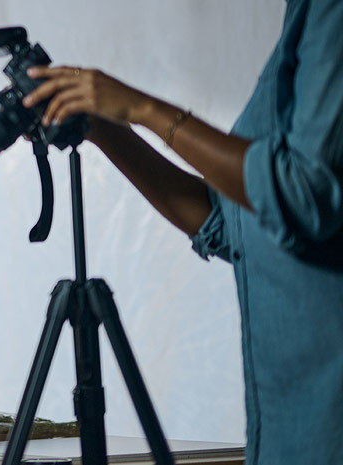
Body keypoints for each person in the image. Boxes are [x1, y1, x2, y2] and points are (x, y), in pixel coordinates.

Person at [20, 1, 343, 463]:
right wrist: (101, 126)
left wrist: (141, 107)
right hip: (286, 428)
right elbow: (231, 223)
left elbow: (302, 195)